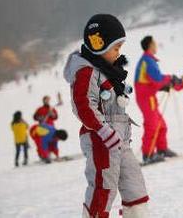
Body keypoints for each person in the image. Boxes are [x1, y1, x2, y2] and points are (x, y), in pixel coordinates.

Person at [64, 14, 149, 218]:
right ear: (98, 44)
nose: (119, 53)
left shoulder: (108, 71)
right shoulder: (86, 72)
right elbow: (83, 105)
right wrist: (103, 130)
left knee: (133, 181)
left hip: (119, 139)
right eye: (115, 48)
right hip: (100, 138)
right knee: (104, 186)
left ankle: (137, 213)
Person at [134, 35, 177, 164]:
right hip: (146, 99)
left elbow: (151, 81)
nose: (156, 45)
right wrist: (169, 80)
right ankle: (148, 154)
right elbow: (157, 80)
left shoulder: (148, 60)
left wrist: (167, 82)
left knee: (161, 125)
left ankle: (162, 149)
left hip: (149, 96)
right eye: (155, 43)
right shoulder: (147, 60)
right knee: (152, 126)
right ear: (150, 45)